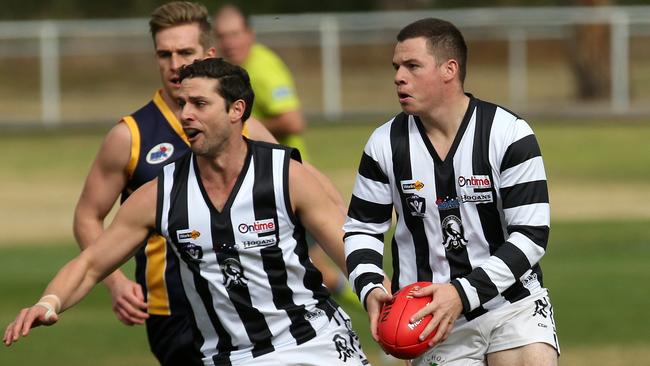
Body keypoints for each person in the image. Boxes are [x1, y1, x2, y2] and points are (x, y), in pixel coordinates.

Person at [5, 57, 368, 366]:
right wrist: (49, 302)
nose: (185, 115)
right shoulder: (160, 194)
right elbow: (90, 264)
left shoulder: (284, 175)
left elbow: (351, 251)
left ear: (236, 110)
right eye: (182, 104)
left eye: (199, 104)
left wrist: (380, 297)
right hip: (229, 357)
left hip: (315, 345)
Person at [344, 18, 559, 366]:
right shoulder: (384, 143)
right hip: (428, 319)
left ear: (449, 69)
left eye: (412, 66)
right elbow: (362, 229)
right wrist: (371, 287)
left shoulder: (508, 134)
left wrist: (461, 293)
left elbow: (531, 236)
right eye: (396, 67)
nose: (399, 76)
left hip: (511, 303)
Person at [212, 4, 355, 301]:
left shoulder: (262, 68)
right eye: (223, 35)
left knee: (315, 269)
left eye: (235, 34)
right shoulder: (234, 71)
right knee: (310, 269)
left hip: (286, 182)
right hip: (262, 181)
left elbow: (293, 120)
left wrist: (239, 122)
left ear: (249, 34)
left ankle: (391, 314)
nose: (229, 42)